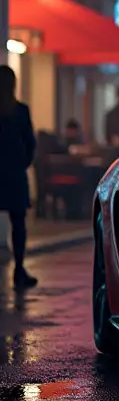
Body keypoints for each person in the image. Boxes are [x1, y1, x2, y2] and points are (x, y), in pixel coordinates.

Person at [0, 65, 38, 289]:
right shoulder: (20, 111)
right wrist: (22, 163)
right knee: (18, 224)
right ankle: (19, 269)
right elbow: (30, 143)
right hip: (14, 174)